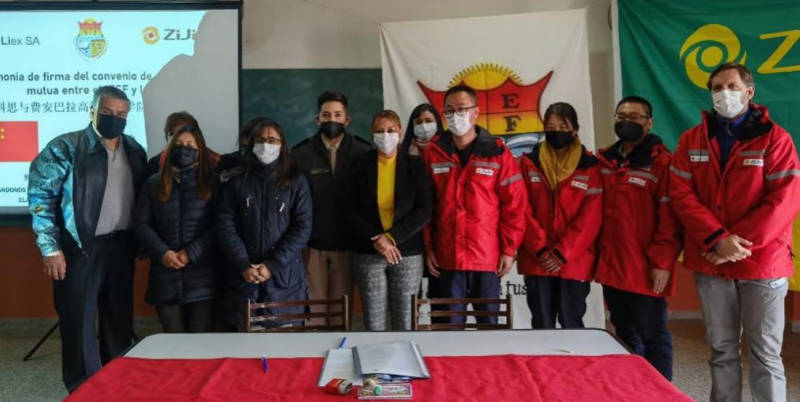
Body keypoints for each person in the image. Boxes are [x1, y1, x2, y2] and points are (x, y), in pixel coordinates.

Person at [669, 62, 800, 402]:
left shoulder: (776, 139)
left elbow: (784, 201)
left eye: (732, 86)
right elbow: (681, 194)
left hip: (762, 261)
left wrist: (734, 244)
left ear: (749, 92)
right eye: (717, 87)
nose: (724, 93)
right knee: (721, 349)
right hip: (711, 258)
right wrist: (717, 240)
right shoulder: (691, 140)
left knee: (765, 352)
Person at [27, 86, 147, 391]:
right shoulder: (65, 148)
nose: (114, 118)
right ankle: (84, 390)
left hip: (122, 247)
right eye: (106, 111)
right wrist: (50, 248)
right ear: (92, 110)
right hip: (79, 250)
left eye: (121, 113)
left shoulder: (134, 149)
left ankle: (116, 385)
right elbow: (41, 199)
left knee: (118, 321)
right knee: (78, 323)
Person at [594, 96, 682, 379]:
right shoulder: (605, 160)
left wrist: (662, 264)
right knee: (624, 333)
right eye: (621, 117)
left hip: (645, 267)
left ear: (649, 122)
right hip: (612, 265)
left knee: (653, 335)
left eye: (634, 117)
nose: (626, 122)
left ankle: (662, 393)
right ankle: (633, 388)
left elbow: (670, 219)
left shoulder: (662, 163)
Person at [423, 84, 527, 324]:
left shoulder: (498, 152)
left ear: (476, 112)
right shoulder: (433, 153)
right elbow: (426, 208)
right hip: (446, 257)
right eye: (449, 111)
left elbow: (515, 205)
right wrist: (428, 248)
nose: (455, 116)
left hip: (486, 257)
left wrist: (509, 249)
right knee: (447, 330)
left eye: (461, 109)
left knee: (489, 330)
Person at [217, 117, 312, 331]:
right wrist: (243, 263)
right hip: (244, 279)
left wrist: (273, 265)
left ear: (282, 145)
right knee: (247, 346)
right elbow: (225, 224)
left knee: (286, 347)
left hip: (284, 281)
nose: (265, 145)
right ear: (251, 144)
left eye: (272, 140)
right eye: (260, 140)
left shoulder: (296, 181)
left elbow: (302, 228)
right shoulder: (236, 180)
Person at [517, 102, 602, 329]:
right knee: (541, 324)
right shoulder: (527, 163)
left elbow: (590, 217)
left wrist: (563, 254)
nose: (556, 131)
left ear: (574, 129)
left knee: (571, 323)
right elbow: (521, 209)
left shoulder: (591, 166)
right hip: (538, 261)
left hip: (574, 262)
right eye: (550, 127)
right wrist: (540, 249)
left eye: (563, 127)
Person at [347, 110, 433, 330]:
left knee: (406, 320)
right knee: (374, 321)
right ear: (372, 133)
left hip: (407, 251)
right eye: (379, 131)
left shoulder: (415, 165)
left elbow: (425, 209)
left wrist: (392, 237)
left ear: (400, 132)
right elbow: (349, 208)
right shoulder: (359, 164)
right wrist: (378, 240)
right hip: (369, 250)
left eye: (390, 130)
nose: (385, 136)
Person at [292, 91, 371, 325]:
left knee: (341, 315)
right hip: (312, 246)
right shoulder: (301, 154)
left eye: (337, 115)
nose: (332, 120)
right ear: (317, 119)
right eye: (326, 115)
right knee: (314, 315)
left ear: (347, 120)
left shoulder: (363, 152)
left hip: (348, 246)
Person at [134, 124, 218, 333]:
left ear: (200, 149)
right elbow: (141, 223)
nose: (184, 149)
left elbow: (220, 226)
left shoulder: (213, 183)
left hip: (202, 277)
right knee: (172, 339)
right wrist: (163, 253)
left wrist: (191, 253)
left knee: (201, 339)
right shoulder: (153, 183)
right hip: (165, 274)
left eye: (190, 145)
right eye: (179, 144)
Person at [145, 111, 201, 177]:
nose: (178, 139)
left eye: (183, 133)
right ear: (167, 137)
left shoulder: (210, 161)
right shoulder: (155, 163)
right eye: (173, 134)